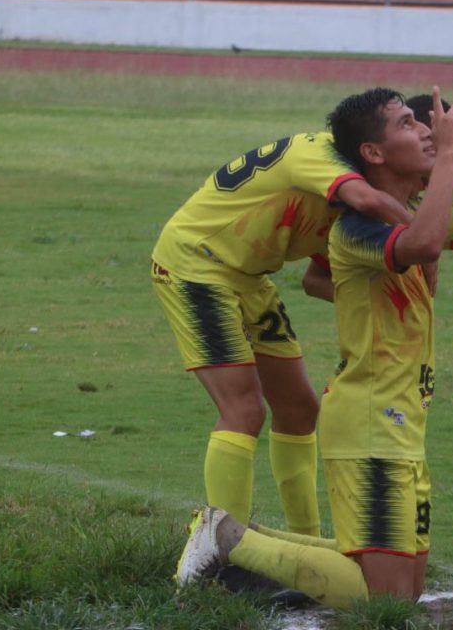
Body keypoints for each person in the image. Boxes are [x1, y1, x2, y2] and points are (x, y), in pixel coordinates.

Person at [175, 79, 453, 608]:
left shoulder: (398, 218)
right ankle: (223, 539)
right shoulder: (359, 228)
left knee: (405, 587)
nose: (425, 130)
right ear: (373, 153)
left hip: (399, 421)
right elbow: (420, 239)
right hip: (372, 423)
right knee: (387, 600)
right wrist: (448, 153)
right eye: (409, 124)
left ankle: (242, 538)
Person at [151, 130, 413, 564]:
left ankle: (302, 544)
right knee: (244, 410)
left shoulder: (369, 200)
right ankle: (223, 555)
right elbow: (367, 202)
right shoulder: (325, 158)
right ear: (378, 148)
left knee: (299, 409)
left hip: (246, 275)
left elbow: (318, 279)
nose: (435, 155)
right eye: (424, 137)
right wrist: (421, 238)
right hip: (195, 262)